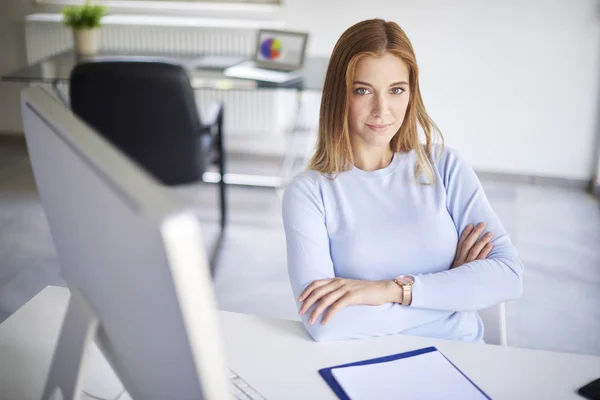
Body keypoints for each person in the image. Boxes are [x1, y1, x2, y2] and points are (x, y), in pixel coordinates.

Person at [281, 18, 524, 343]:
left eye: (396, 90)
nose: (382, 110)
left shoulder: (444, 166)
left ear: (412, 93)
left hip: (462, 360)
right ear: (339, 95)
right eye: (363, 90)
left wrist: (388, 291)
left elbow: (508, 277)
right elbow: (325, 322)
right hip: (361, 367)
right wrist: (453, 291)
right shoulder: (309, 192)